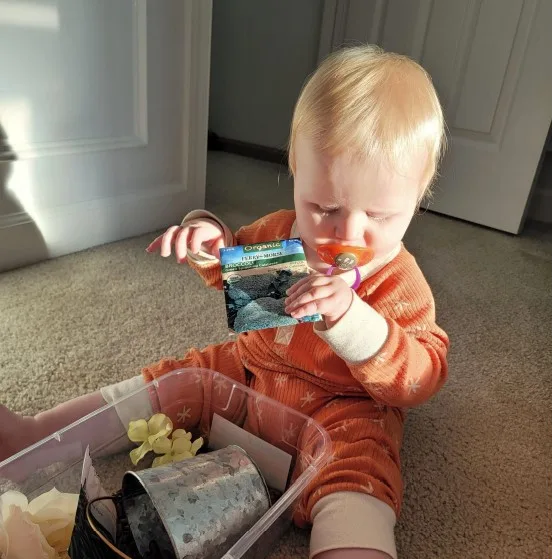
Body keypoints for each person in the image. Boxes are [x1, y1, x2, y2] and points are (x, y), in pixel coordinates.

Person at [0, 45, 449, 558]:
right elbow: (238, 274)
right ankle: (35, 434)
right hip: (248, 374)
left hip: (342, 410)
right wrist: (211, 242)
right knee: (171, 380)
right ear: (295, 168)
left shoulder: (398, 280)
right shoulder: (282, 234)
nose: (345, 233)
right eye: (323, 207)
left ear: (418, 197)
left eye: (381, 216)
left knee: (361, 476)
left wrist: (353, 321)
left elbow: (421, 376)